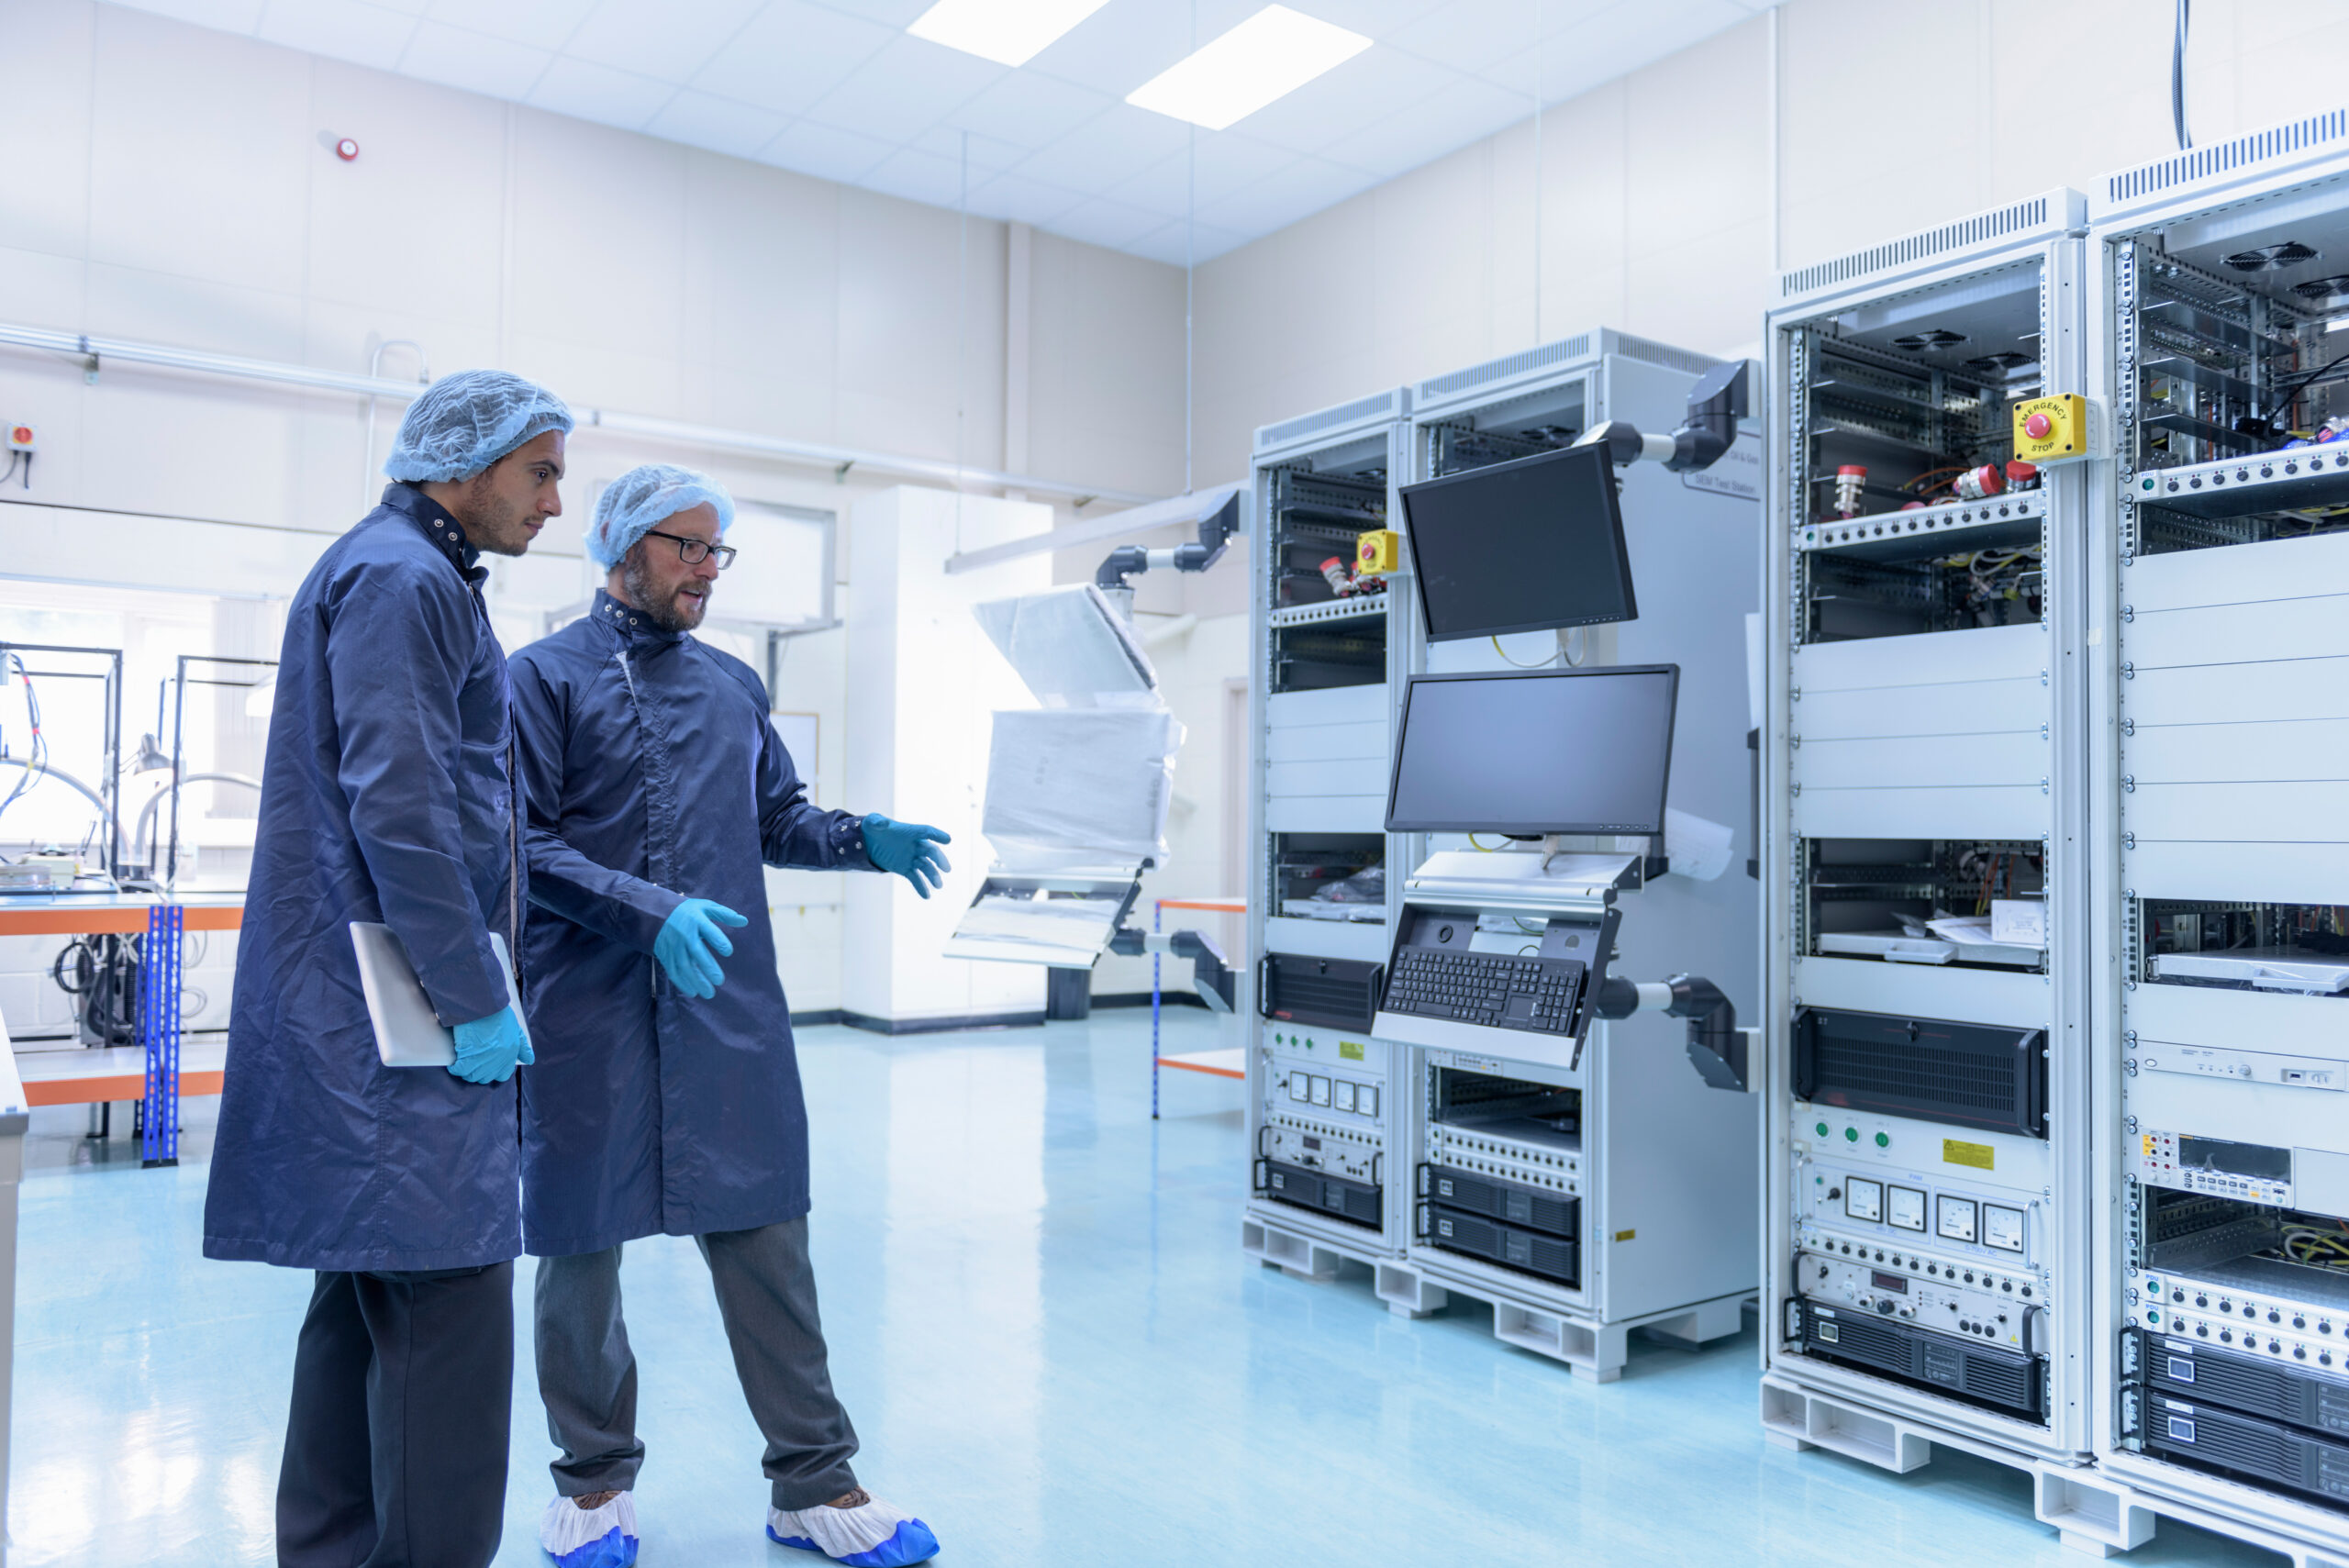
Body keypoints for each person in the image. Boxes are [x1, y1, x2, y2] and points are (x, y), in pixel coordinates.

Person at [510, 464, 952, 1568]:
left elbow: (777, 814)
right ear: (619, 545)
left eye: (719, 550)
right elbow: (517, 844)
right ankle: (594, 1484)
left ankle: (813, 1481)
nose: (709, 567)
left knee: (766, 1240)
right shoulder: (536, 681)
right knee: (579, 1256)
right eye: (687, 546)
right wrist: (644, 911)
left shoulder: (730, 684)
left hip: (723, 1007)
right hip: (588, 1007)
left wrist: (857, 838)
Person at [202, 369, 573, 1568]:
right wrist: (475, 997)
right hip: (400, 1024)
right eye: (542, 471)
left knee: (360, 1309)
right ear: (462, 465)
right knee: (447, 1307)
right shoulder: (405, 578)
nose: (556, 503)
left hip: (374, 1010)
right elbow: (404, 812)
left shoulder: (408, 575)